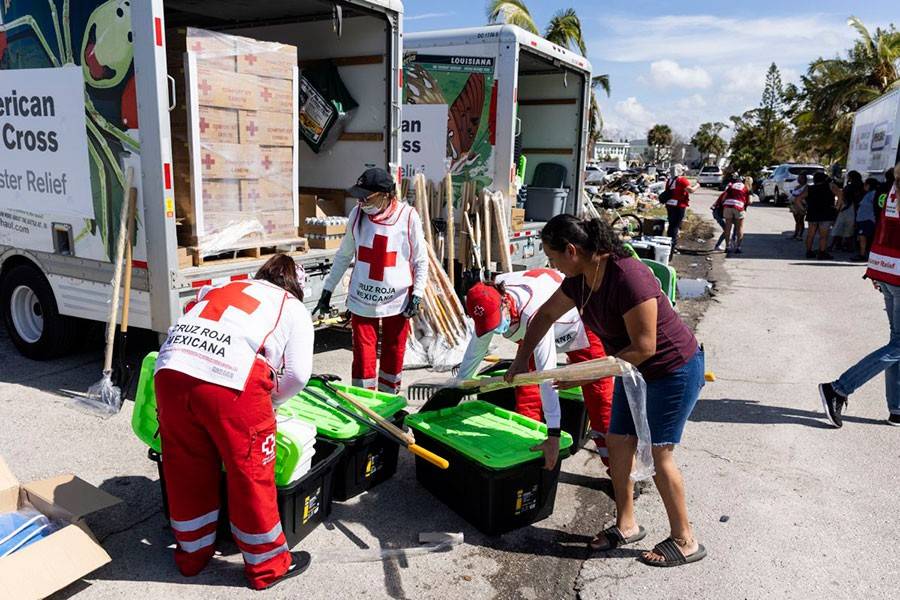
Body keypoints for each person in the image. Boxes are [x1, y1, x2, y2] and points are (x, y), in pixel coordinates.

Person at [506, 215, 706, 567]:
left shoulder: (629, 277)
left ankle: (685, 539)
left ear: (572, 250)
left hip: (672, 369)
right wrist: (521, 359)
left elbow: (644, 347)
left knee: (658, 455)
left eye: (553, 259)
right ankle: (626, 524)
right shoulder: (580, 279)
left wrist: (582, 374)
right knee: (617, 443)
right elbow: (542, 317)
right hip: (632, 372)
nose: (552, 266)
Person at [153, 254, 314, 590]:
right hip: (232, 379)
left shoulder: (221, 287)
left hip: (171, 371)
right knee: (250, 473)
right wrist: (272, 401)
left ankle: (192, 554)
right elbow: (298, 374)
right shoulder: (293, 307)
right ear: (296, 287)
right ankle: (268, 565)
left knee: (185, 467)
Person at [459, 270, 614, 465]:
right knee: (526, 392)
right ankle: (528, 458)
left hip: (577, 324)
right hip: (532, 330)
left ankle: (618, 468)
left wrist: (553, 435)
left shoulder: (534, 312)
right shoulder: (486, 296)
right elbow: (476, 349)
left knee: (600, 397)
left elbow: (547, 378)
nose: (497, 329)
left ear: (505, 303)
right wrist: (458, 385)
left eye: (496, 321)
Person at [315, 168, 428, 393]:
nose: (361, 201)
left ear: (386, 195)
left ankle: (390, 399)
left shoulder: (407, 216)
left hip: (397, 299)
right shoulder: (357, 216)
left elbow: (421, 259)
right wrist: (327, 290)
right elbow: (344, 255)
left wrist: (417, 295)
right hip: (362, 298)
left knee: (394, 351)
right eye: (359, 197)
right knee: (364, 354)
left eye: (366, 197)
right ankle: (364, 400)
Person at [820, 162, 900, 428]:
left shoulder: (891, 189)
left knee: (897, 343)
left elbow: (883, 229)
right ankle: (839, 388)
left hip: (887, 269)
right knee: (899, 345)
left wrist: (877, 269)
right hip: (896, 274)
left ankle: (897, 407)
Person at [805, 172, 841, 260]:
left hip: (812, 213)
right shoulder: (831, 187)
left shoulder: (810, 188)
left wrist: (803, 209)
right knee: (823, 236)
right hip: (826, 213)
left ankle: (808, 252)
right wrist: (837, 207)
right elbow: (840, 196)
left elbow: (798, 199)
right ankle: (822, 253)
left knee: (810, 234)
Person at [663, 164, 697, 252]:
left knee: (671, 225)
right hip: (679, 205)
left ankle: (669, 243)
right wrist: (698, 185)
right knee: (676, 226)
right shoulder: (682, 180)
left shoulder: (669, 180)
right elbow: (690, 190)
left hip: (669, 205)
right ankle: (672, 245)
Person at [719, 173, 752, 255]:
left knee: (728, 227)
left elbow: (723, 198)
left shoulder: (731, 186)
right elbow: (750, 201)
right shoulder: (746, 188)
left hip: (728, 206)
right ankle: (738, 247)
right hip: (739, 207)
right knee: (739, 228)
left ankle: (727, 247)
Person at [832, 170, 862, 251]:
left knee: (839, 227)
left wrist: (840, 209)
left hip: (847, 208)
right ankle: (849, 246)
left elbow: (845, 198)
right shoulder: (860, 186)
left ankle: (836, 245)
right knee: (850, 229)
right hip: (856, 209)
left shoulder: (849, 187)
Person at [853, 177, 879, 261]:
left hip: (868, 219)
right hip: (863, 219)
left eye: (866, 184)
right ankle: (863, 253)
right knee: (862, 237)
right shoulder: (868, 193)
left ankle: (863, 254)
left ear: (869, 185)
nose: (864, 186)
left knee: (863, 237)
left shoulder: (874, 194)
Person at [789, 174, 809, 240]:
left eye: (801, 178)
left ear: (804, 179)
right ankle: (796, 233)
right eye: (798, 178)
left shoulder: (806, 187)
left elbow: (804, 195)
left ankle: (800, 235)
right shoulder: (796, 187)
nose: (799, 179)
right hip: (794, 205)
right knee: (796, 220)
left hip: (801, 205)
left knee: (800, 220)